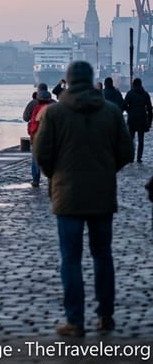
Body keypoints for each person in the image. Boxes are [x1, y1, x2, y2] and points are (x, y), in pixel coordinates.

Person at [34, 60, 133, 337]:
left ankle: (75, 321)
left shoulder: (55, 114)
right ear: (91, 80)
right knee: (103, 255)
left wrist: (55, 175)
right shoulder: (111, 112)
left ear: (67, 80)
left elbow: (41, 153)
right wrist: (106, 171)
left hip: (67, 196)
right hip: (101, 194)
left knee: (71, 258)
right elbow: (125, 151)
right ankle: (105, 316)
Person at [26, 88, 55, 186]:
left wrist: (32, 135)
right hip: (51, 137)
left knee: (35, 159)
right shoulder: (54, 106)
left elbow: (33, 124)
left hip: (38, 137)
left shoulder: (36, 108)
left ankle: (36, 180)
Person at [123, 78, 152, 163]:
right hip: (142, 119)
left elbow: (124, 105)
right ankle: (139, 158)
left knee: (131, 139)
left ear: (133, 84)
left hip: (132, 119)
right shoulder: (145, 94)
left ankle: (131, 157)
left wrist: (129, 110)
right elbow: (150, 110)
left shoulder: (130, 93)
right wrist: (149, 122)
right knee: (141, 139)